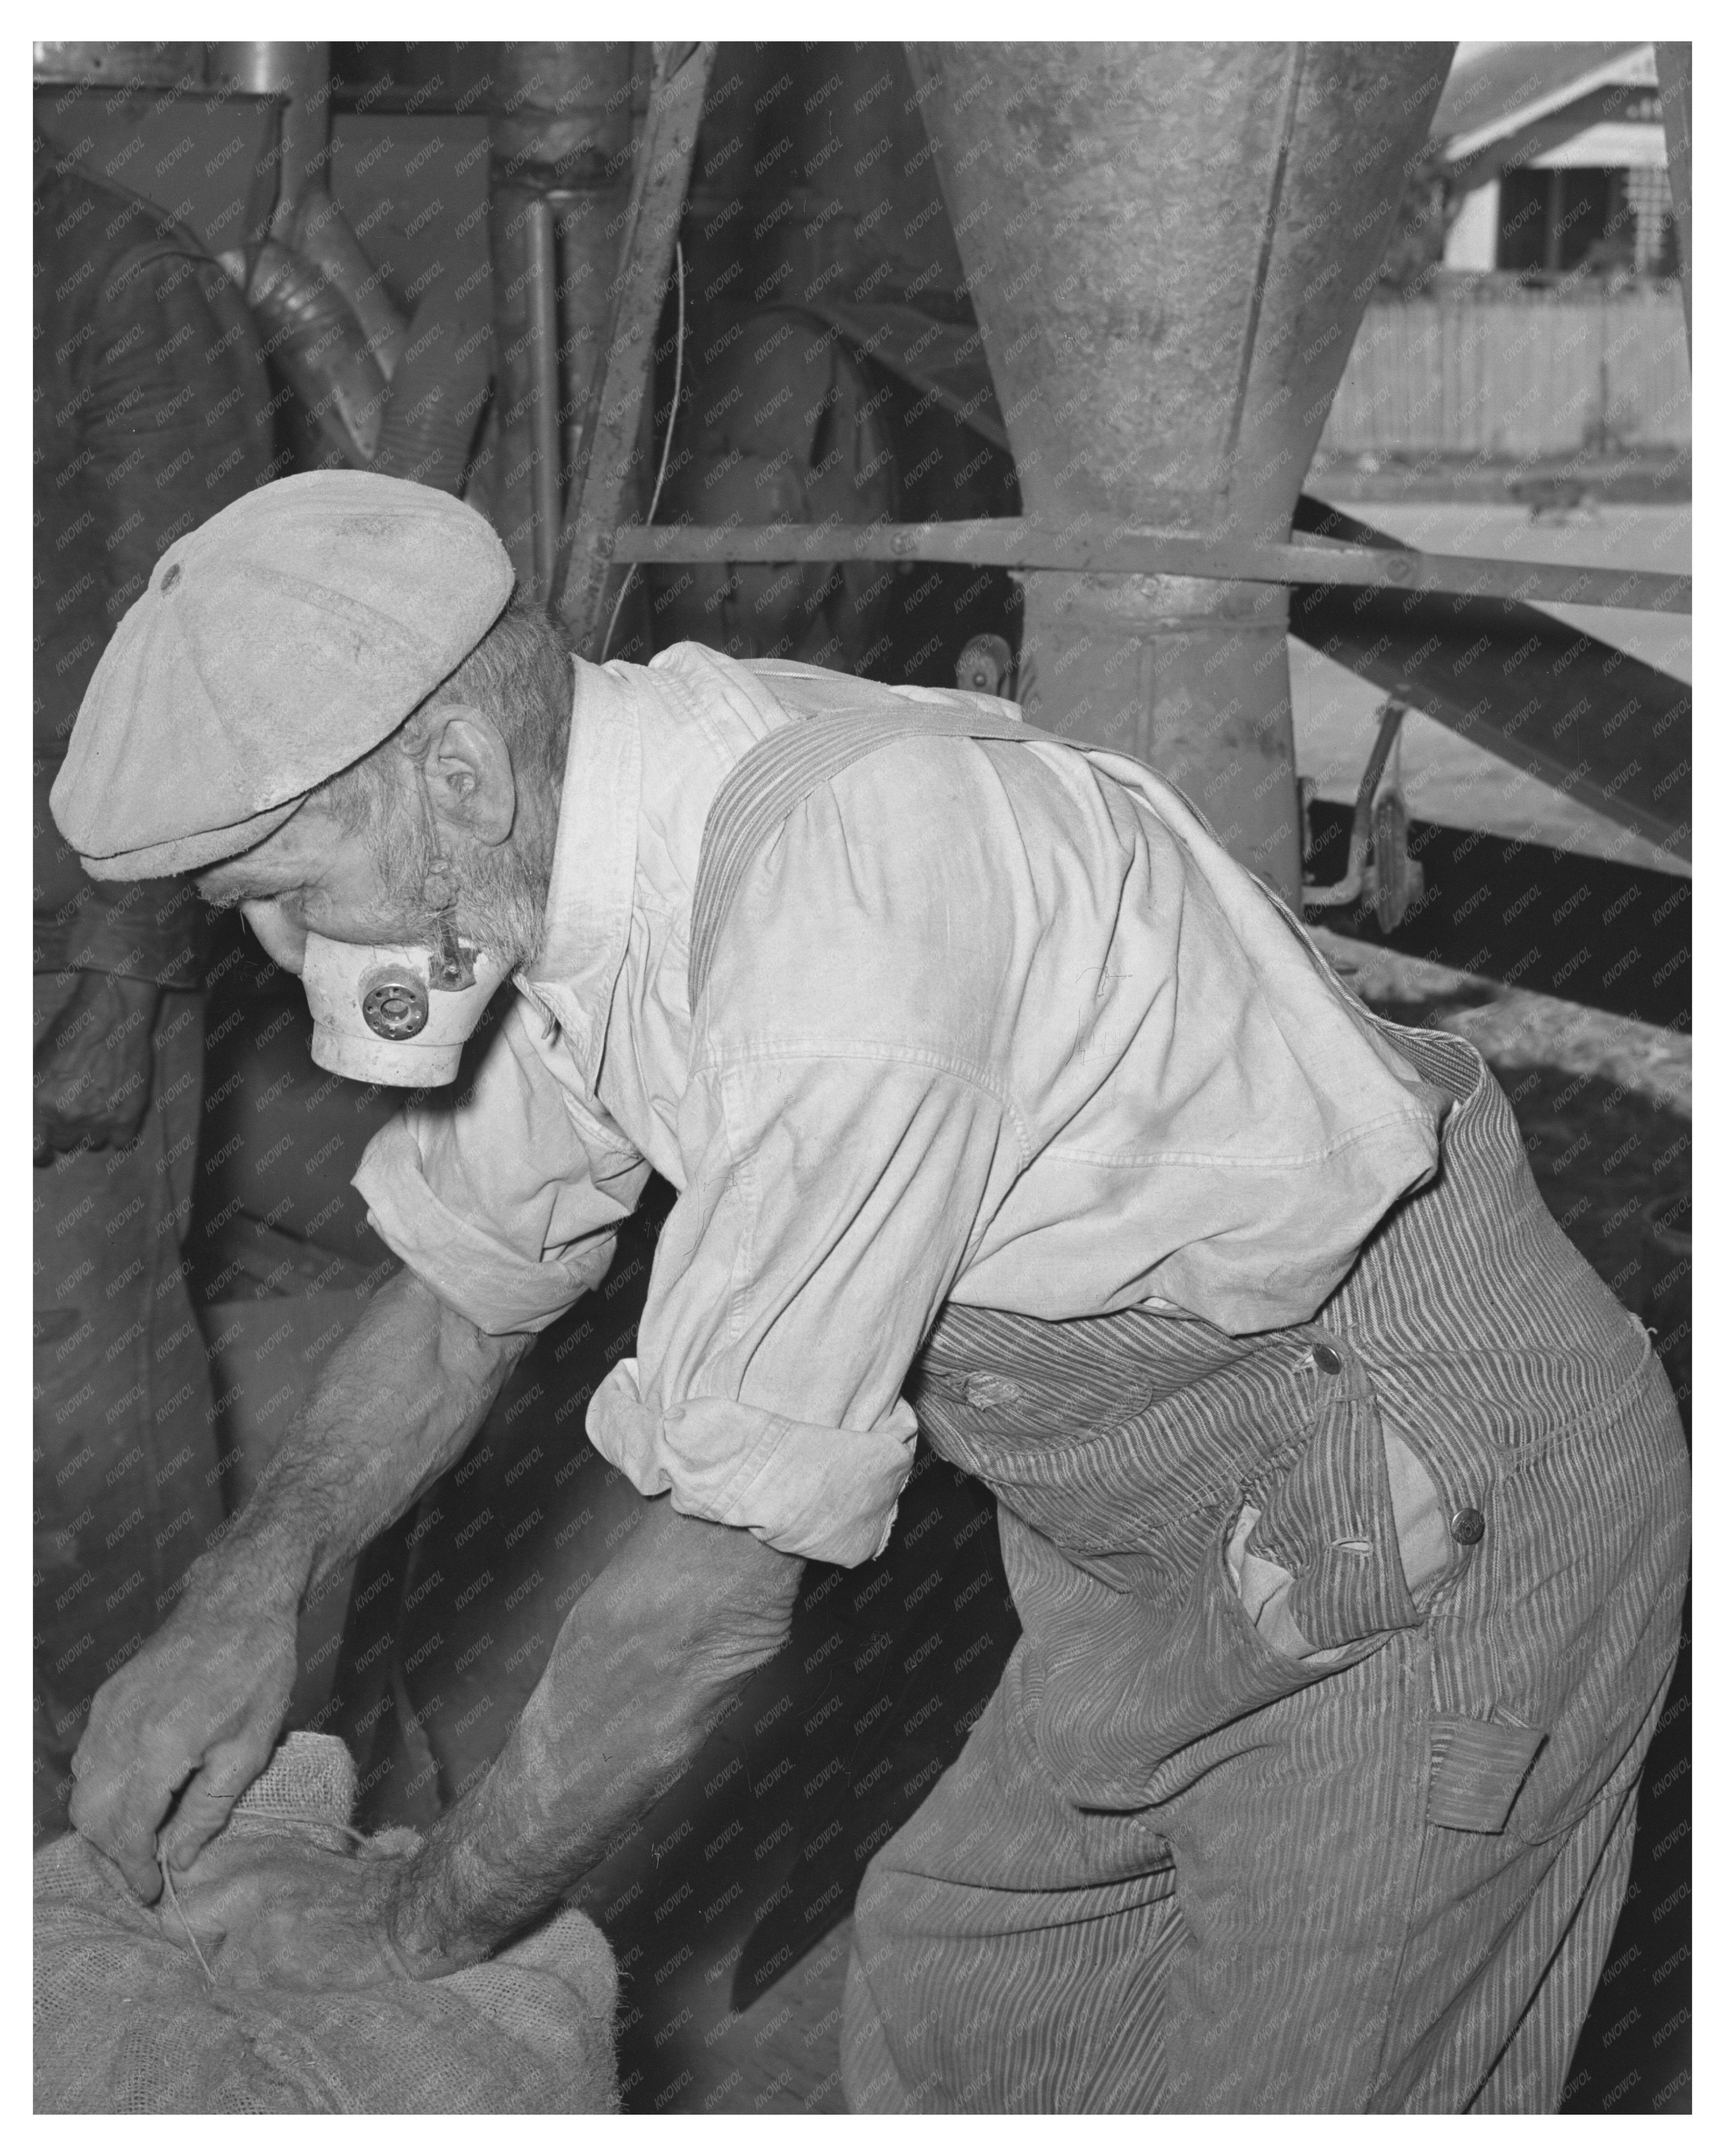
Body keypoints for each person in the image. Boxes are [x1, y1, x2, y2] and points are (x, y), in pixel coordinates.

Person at [55, 473, 1687, 2113]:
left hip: (1412, 1487)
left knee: (1294, 2082)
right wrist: (246, 1592)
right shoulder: (578, 857)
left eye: (282, 888)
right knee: (964, 2005)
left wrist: (408, 1927)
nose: (282, 948)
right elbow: (457, 1298)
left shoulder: (835, 910)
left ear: (455, 775)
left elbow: (697, 1609)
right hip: (1142, 1526)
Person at [32, 131, 269, 1835]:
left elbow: (196, 672)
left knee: (80, 1424)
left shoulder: (123, 284)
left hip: (52, 967)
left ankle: (131, 1840)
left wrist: (121, 978)